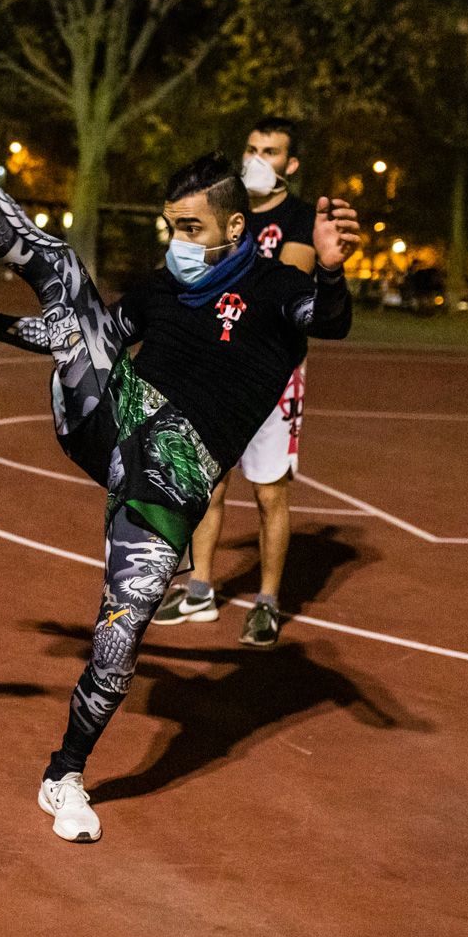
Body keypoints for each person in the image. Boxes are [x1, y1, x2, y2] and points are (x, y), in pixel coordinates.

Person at [0, 28, 359, 843]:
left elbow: (332, 319)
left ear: (229, 230)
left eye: (189, 228)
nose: (175, 243)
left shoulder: (276, 289)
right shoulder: (157, 289)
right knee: (67, 276)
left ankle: (64, 774)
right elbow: (78, 336)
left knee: (120, 642)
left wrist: (329, 266)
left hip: (169, 489)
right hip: (110, 425)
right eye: (168, 226)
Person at [153, 116, 314, 644]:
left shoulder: (299, 219)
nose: (256, 160)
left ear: (290, 165)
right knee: (208, 480)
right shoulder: (228, 210)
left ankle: (267, 600)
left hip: (271, 371)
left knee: (269, 492)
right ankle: (200, 590)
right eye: (251, 148)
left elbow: (282, 286)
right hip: (220, 361)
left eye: (270, 152)